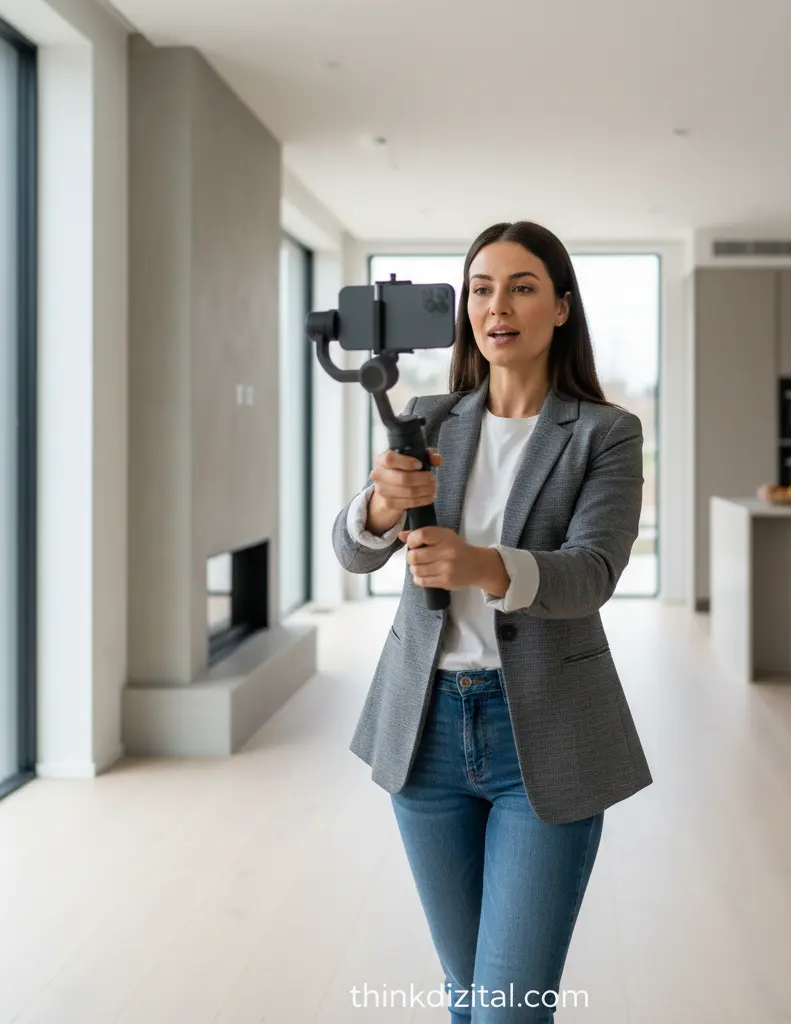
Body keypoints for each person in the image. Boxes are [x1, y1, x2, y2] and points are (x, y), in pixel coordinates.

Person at [332, 221, 653, 1022]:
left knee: (508, 1008)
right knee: (468, 996)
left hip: (542, 733)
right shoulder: (428, 417)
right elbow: (352, 549)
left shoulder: (606, 433)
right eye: (481, 288)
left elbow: (595, 573)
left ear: (561, 308)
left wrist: (482, 565)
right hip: (426, 732)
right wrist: (379, 505)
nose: (496, 305)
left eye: (521, 286)